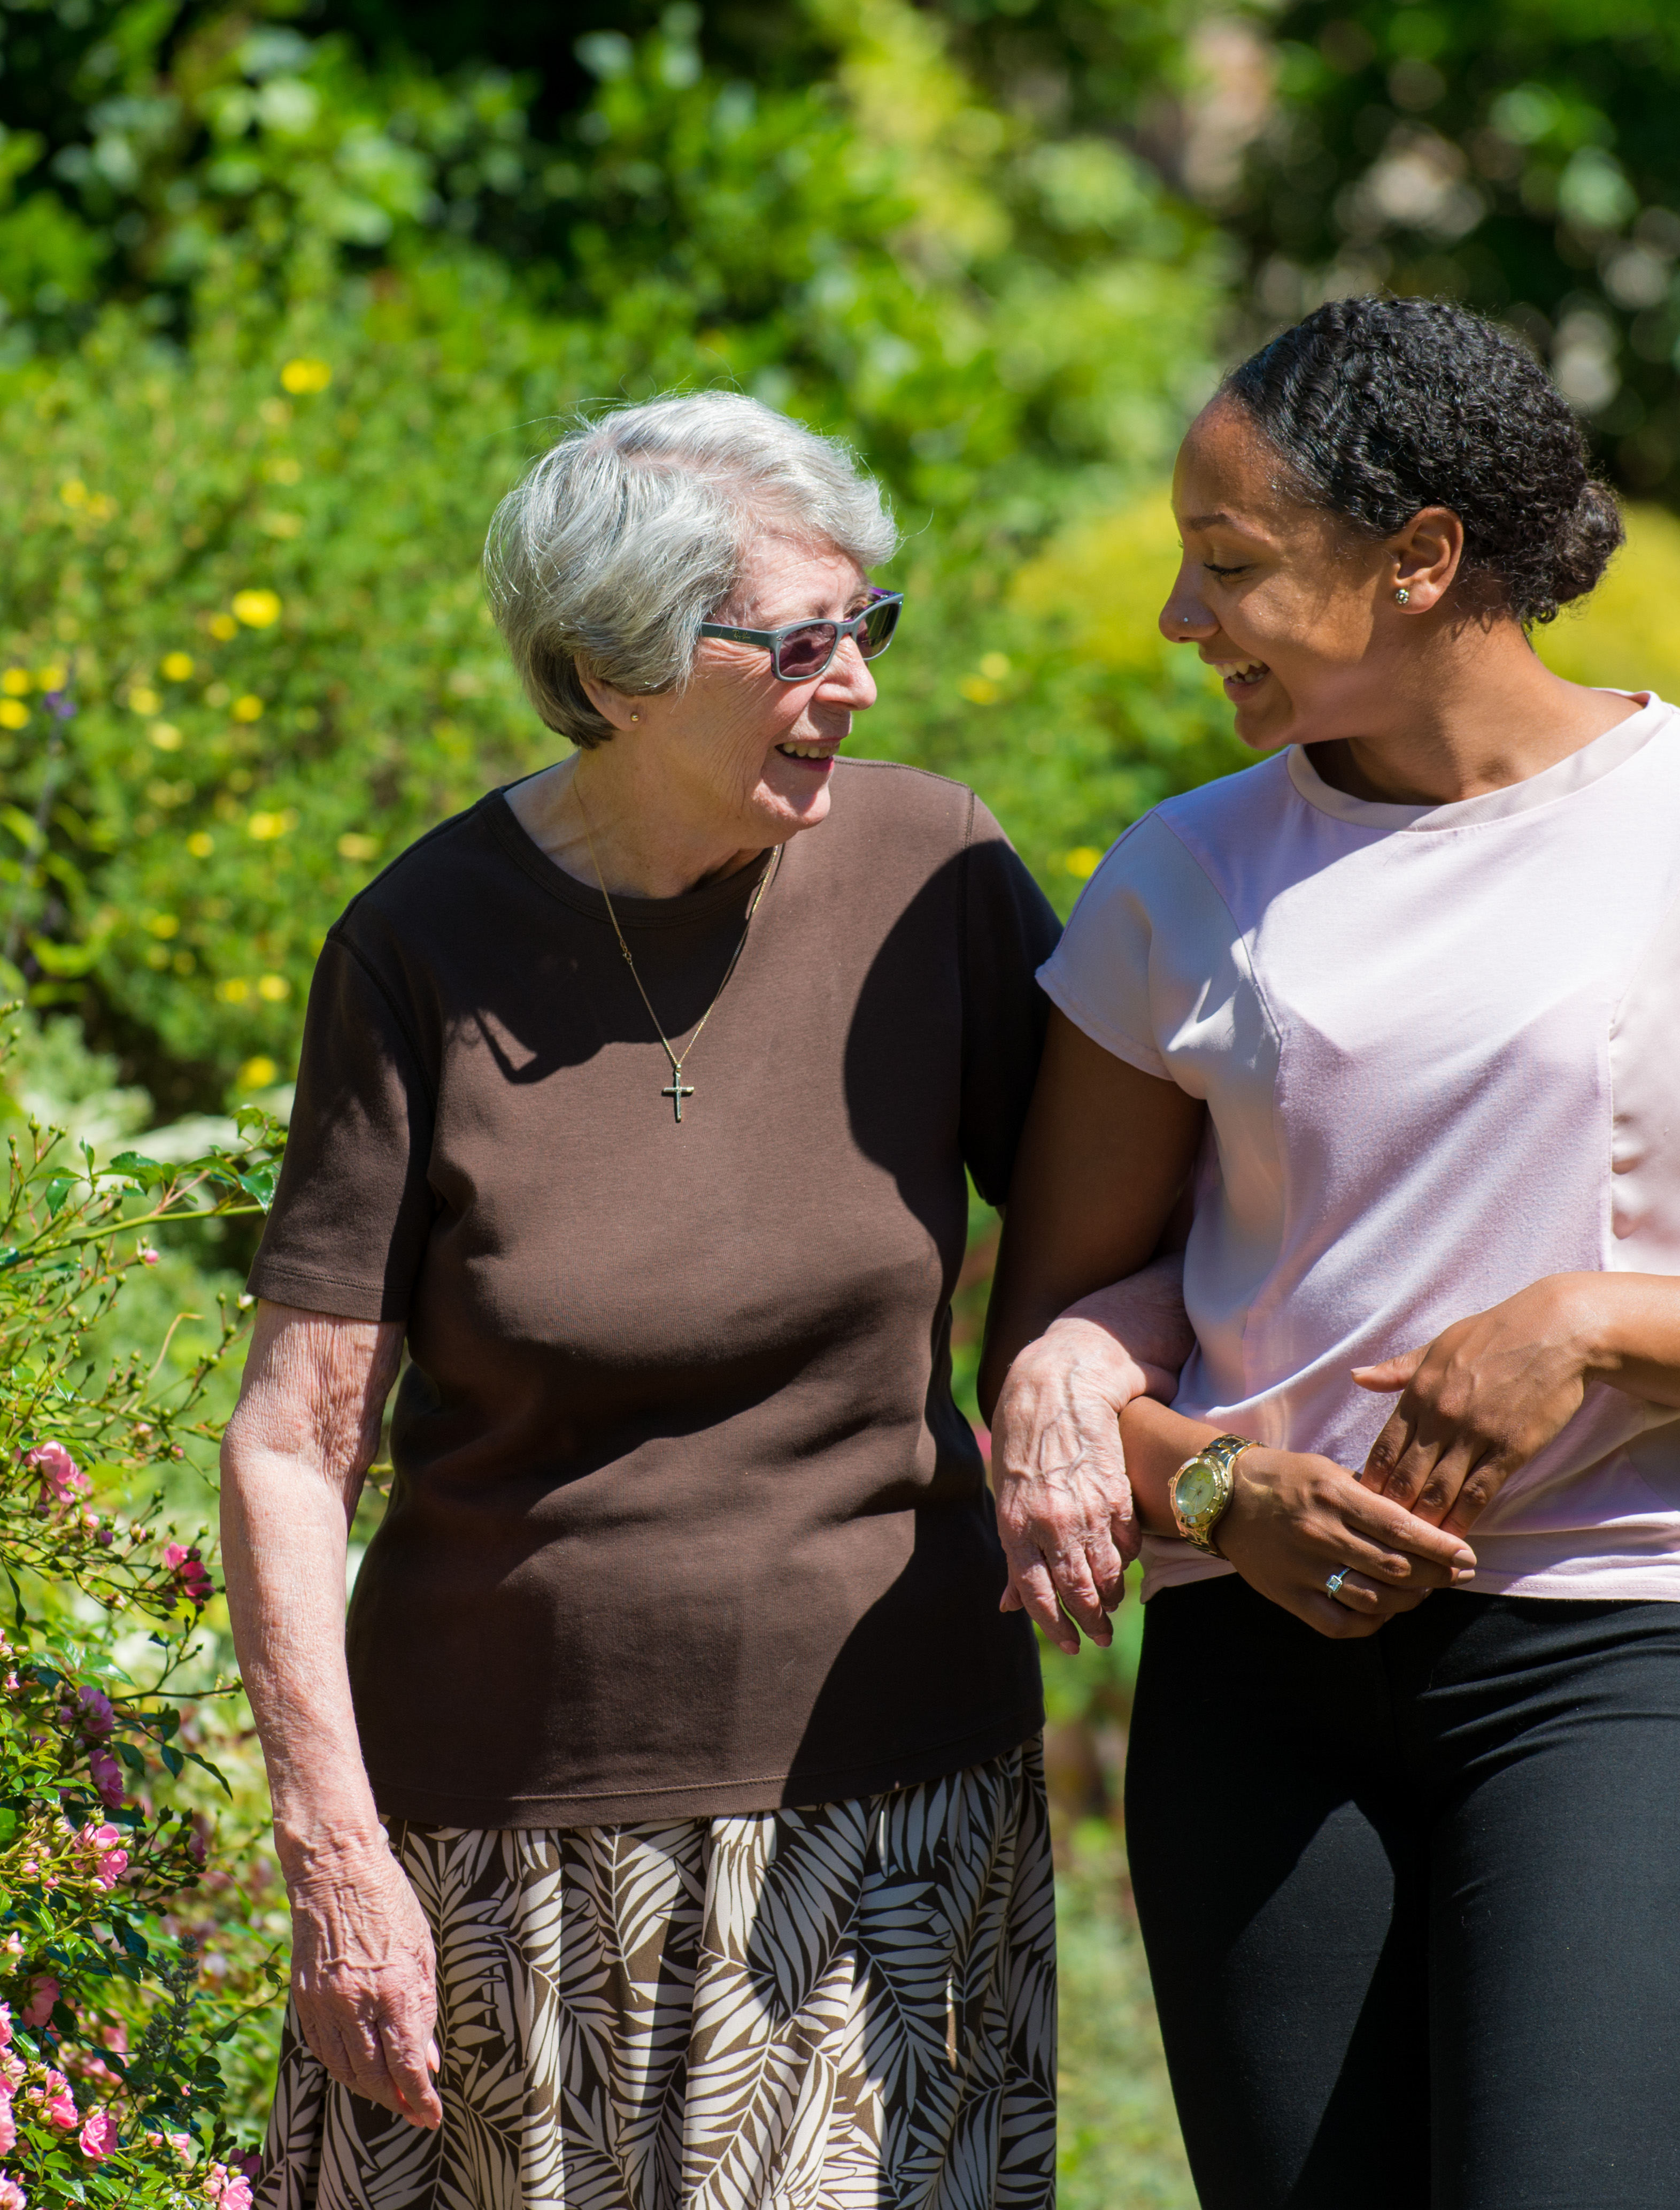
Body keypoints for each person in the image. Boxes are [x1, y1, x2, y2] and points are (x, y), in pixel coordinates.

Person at [980, 295, 1680, 2210]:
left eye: (1230, 564)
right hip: (1255, 1685)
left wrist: (1589, 1324)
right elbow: (1058, 1329)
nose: (1184, 619)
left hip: (1619, 1654)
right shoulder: (1181, 873)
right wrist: (1228, 1489)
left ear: (1423, 557)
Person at [222, 390, 1097, 2209]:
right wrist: (334, 1849)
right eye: (794, 641)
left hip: (886, 1821)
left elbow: (1128, 1222)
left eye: (867, 626)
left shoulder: (933, 873)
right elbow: (295, 1446)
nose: (851, 680)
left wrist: (1075, 1363)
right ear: (616, 672)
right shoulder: (423, 946)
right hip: (496, 1851)